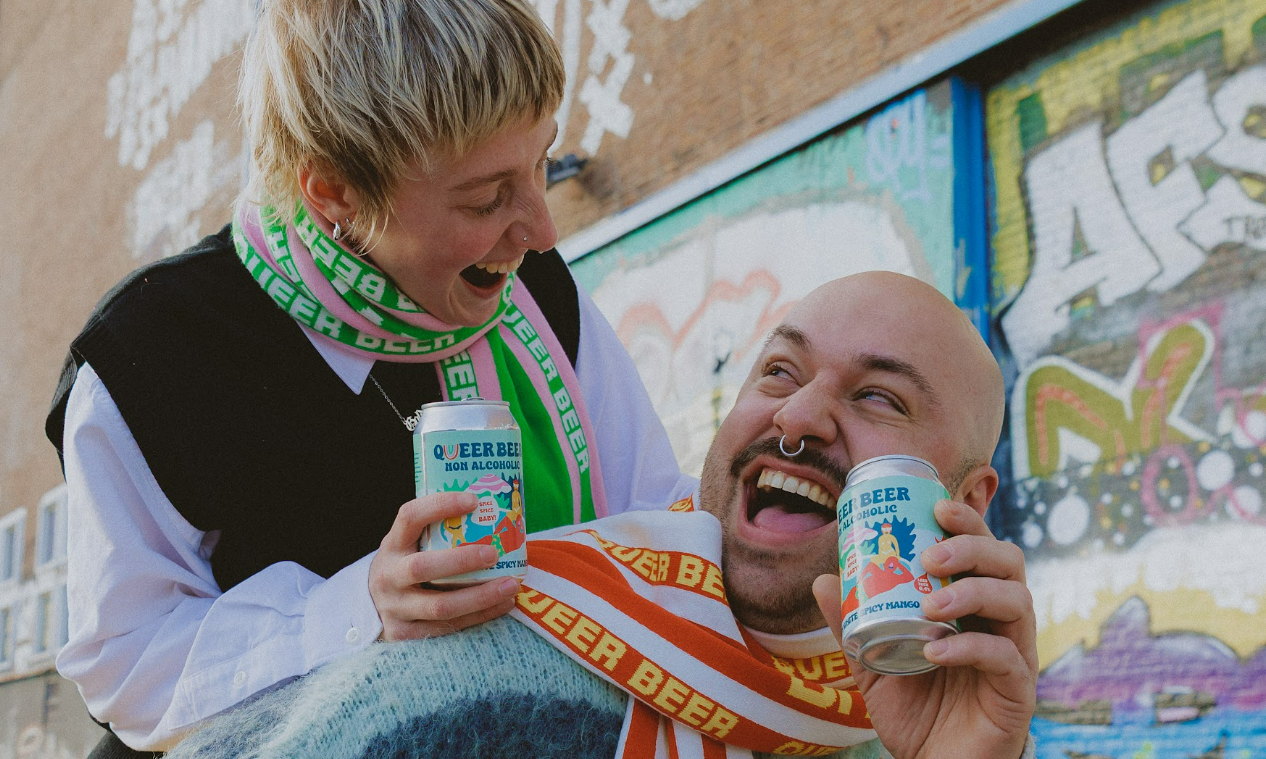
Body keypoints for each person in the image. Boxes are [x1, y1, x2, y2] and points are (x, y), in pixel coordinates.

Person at [44, 0, 689, 754]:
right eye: (485, 198)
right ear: (334, 193)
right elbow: (126, 661)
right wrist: (359, 608)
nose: (541, 230)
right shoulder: (151, 354)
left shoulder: (539, 293)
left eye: (542, 160)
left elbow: (653, 518)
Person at [165, 272, 1037, 759]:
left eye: (879, 396)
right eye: (778, 372)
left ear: (965, 504)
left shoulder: (958, 715)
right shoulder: (481, 675)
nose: (799, 416)